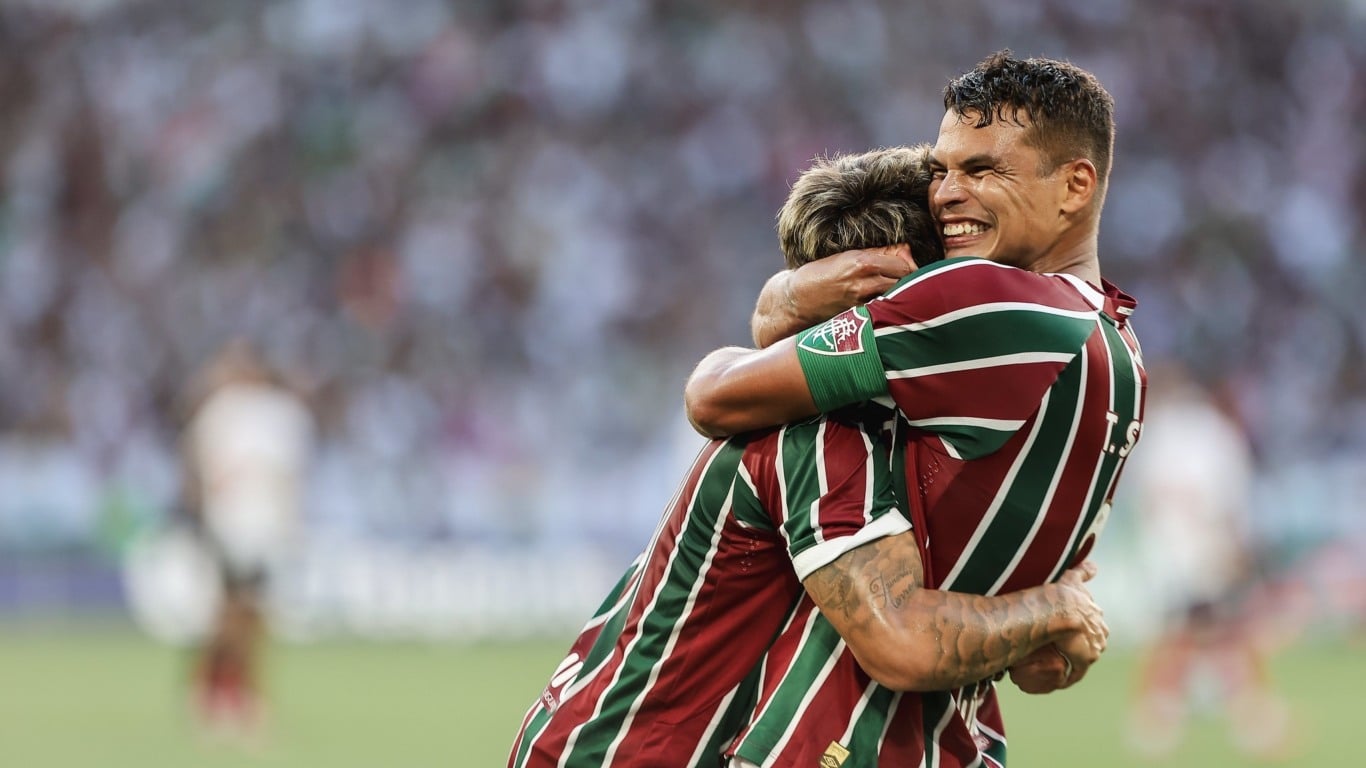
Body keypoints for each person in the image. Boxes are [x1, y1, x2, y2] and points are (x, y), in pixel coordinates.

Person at [508, 145, 1108, 768]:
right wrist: (1054, 609)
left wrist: (785, 298)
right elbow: (899, 641)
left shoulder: (845, 410)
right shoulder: (827, 435)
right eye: (957, 286)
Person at [685, 51, 1145, 766]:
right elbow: (1048, 664)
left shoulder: (990, 301)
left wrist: (790, 295)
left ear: (1075, 186)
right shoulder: (1122, 358)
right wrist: (1055, 613)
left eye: (983, 170)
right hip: (960, 744)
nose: (945, 195)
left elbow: (713, 397)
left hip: (839, 742)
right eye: (942, 170)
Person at [1124, 364, 1293, 759]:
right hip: (1204, 548)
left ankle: (1167, 712)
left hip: (1165, 550)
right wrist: (1234, 546)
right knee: (1217, 630)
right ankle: (1237, 714)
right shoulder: (1214, 435)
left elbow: (1142, 494)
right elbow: (1226, 499)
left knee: (1195, 631)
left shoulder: (1163, 432)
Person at [181, 339, 315, 741]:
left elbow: (292, 479)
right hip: (231, 527)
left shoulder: (281, 416)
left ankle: (236, 692)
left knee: (253, 618)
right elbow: (201, 473)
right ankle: (214, 691)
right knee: (229, 614)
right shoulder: (221, 412)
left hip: (264, 531)